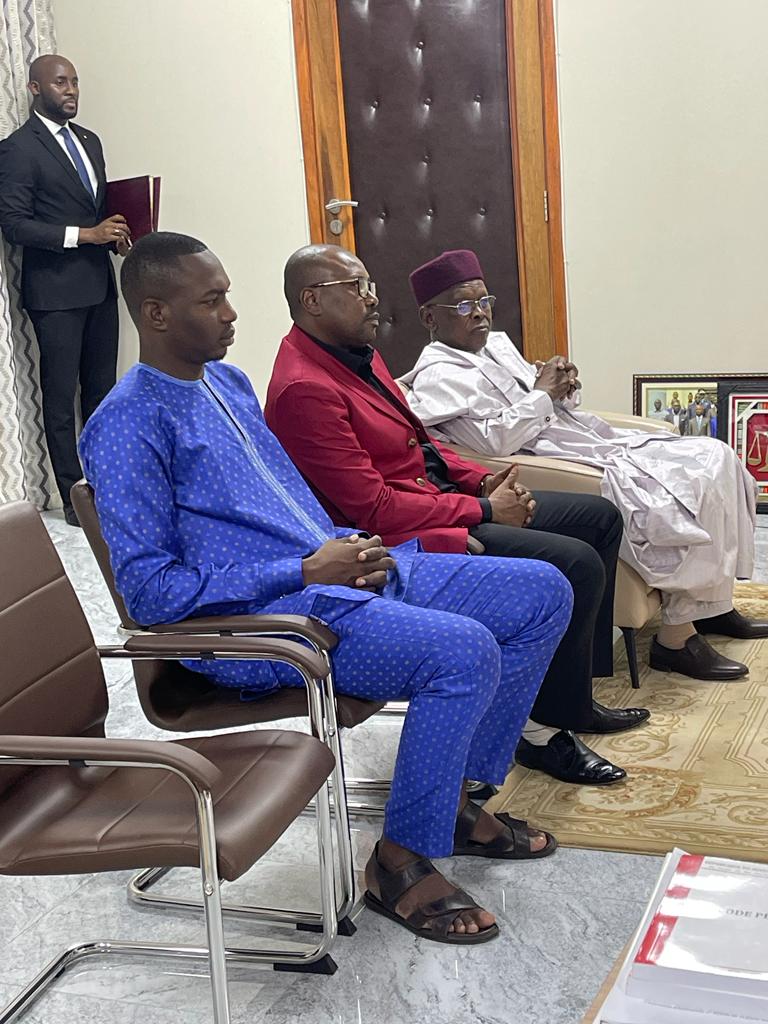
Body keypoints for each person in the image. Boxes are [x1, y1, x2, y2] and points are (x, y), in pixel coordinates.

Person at [79, 231, 575, 946]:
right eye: (211, 301)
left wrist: (351, 547)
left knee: (543, 592)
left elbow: (289, 504)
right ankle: (399, 861)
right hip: (261, 625)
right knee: (462, 651)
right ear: (155, 313)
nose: (231, 314)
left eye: (227, 296)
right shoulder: (127, 423)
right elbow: (153, 594)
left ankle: (451, 804)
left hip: (332, 577)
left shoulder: (227, 383)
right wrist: (306, 570)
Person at [266, 243, 651, 788]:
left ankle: (570, 700)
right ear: (311, 300)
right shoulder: (304, 387)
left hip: (437, 496)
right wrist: (484, 508)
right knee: (574, 563)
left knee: (599, 517)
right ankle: (543, 733)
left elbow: (421, 442)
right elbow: (370, 506)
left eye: (370, 285)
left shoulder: (357, 351)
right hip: (400, 532)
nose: (373, 299)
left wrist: (479, 479)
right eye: (356, 288)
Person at [401, 249, 768, 680]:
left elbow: (543, 401)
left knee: (715, 455)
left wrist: (561, 385)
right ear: (429, 317)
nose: (480, 314)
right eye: (464, 306)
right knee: (683, 482)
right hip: (550, 456)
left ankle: (711, 605)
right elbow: (494, 440)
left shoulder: (494, 346)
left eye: (484, 301)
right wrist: (543, 393)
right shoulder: (439, 375)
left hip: (579, 435)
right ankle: (676, 640)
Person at [0, 54, 130, 527]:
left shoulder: (90, 141)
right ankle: (77, 501)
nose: (71, 89)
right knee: (59, 397)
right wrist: (86, 234)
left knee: (102, 391)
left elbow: (96, 208)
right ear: (35, 88)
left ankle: (108, 486)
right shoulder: (17, 149)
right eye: (60, 82)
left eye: (74, 81)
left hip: (100, 284)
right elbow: (15, 225)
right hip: (54, 293)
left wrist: (116, 233)